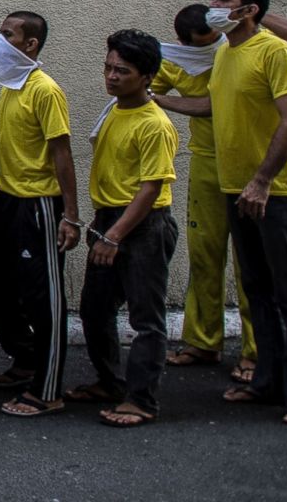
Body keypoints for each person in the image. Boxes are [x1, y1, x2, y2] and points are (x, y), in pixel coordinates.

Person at [157, 0, 287, 427]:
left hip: (276, 192)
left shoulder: (273, 51)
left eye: (223, 0)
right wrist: (157, 98)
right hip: (234, 187)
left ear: (249, 11)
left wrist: (262, 181)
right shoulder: (224, 51)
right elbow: (212, 106)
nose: (212, 6)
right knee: (259, 291)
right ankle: (266, 383)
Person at [0, 12, 81, 417]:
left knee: (43, 298)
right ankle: (26, 357)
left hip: (40, 206)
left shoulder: (45, 90)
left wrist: (70, 215)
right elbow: (8, 141)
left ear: (30, 45)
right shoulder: (10, 88)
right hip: (7, 200)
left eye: (7, 35)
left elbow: (61, 152)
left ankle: (47, 389)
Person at [69, 29, 179, 427]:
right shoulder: (114, 109)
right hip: (109, 220)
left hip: (142, 226)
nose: (112, 77)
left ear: (148, 76)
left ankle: (142, 400)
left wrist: (115, 236)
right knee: (95, 310)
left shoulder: (155, 124)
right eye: (109, 68)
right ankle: (109, 382)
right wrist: (101, 227)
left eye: (123, 71)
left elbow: (152, 187)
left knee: (146, 319)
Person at [155, 4, 255, 381]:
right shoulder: (175, 61)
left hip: (248, 161)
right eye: (203, 43)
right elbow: (143, 93)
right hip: (207, 161)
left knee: (250, 261)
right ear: (184, 42)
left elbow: (215, 104)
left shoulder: (239, 51)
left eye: (216, 38)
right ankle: (202, 341)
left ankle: (255, 351)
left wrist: (164, 101)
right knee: (204, 251)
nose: (214, 45)